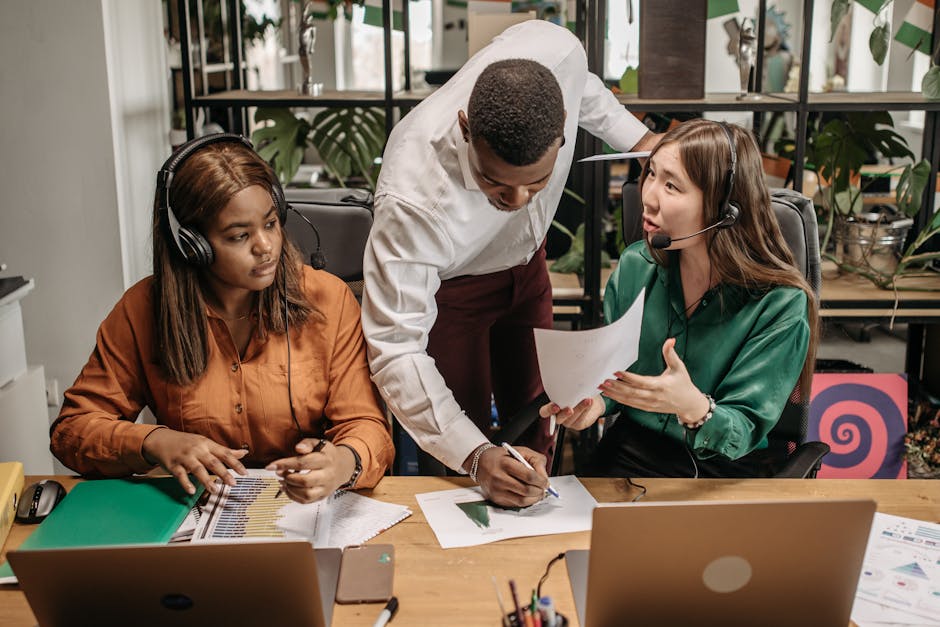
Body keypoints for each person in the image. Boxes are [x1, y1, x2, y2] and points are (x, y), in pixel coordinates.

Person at [361, 19, 659, 507]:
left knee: (540, 416)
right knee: (464, 452)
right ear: (464, 130)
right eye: (496, 185)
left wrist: (641, 142)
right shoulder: (411, 198)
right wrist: (476, 455)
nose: (518, 199)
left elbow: (580, 86)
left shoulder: (556, 51)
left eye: (537, 183)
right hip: (452, 292)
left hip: (529, 269)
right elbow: (396, 350)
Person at [50, 135, 394, 502]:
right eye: (239, 235)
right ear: (191, 245)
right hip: (192, 512)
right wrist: (154, 441)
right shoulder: (143, 310)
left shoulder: (327, 299)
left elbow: (367, 425)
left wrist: (342, 462)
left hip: (303, 511)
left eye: (271, 224)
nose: (265, 246)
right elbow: (73, 431)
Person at [540, 119, 819, 477]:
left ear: (725, 207)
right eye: (651, 174)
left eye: (672, 185)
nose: (648, 197)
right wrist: (594, 403)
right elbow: (616, 374)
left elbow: (744, 427)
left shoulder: (780, 303)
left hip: (726, 468)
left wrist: (694, 407)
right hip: (632, 451)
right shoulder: (636, 267)